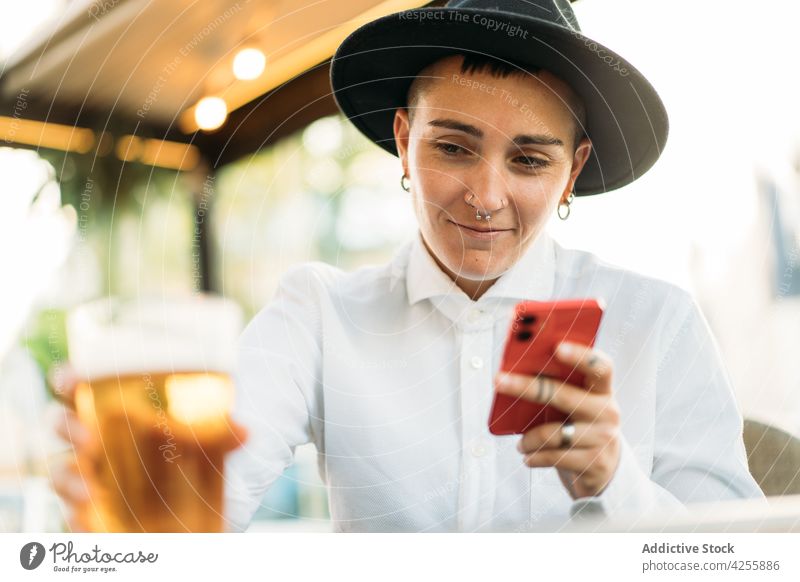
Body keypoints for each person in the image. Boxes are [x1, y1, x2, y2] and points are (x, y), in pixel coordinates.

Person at [52, 0, 764, 533]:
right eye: (452, 148)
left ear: (572, 171)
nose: (485, 197)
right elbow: (206, 494)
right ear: (403, 138)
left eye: (529, 160)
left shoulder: (659, 323)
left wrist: (619, 482)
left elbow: (744, 561)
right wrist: (139, 507)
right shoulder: (321, 314)